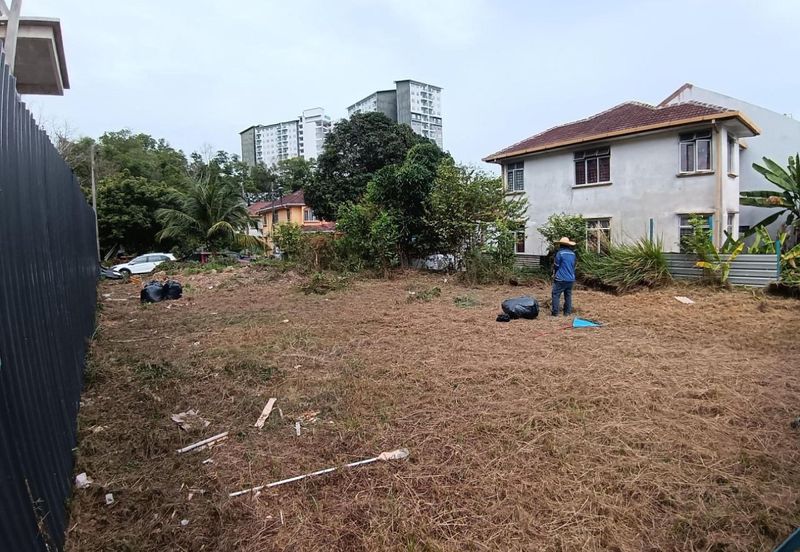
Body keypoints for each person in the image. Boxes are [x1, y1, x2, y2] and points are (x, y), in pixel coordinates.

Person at [551, 237, 577, 316]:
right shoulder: (573, 254)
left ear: (561, 245)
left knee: (555, 294)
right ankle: (567, 312)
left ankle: (555, 312)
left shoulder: (560, 253)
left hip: (561, 278)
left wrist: (554, 273)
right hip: (570, 279)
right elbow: (574, 265)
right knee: (568, 295)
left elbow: (556, 265)